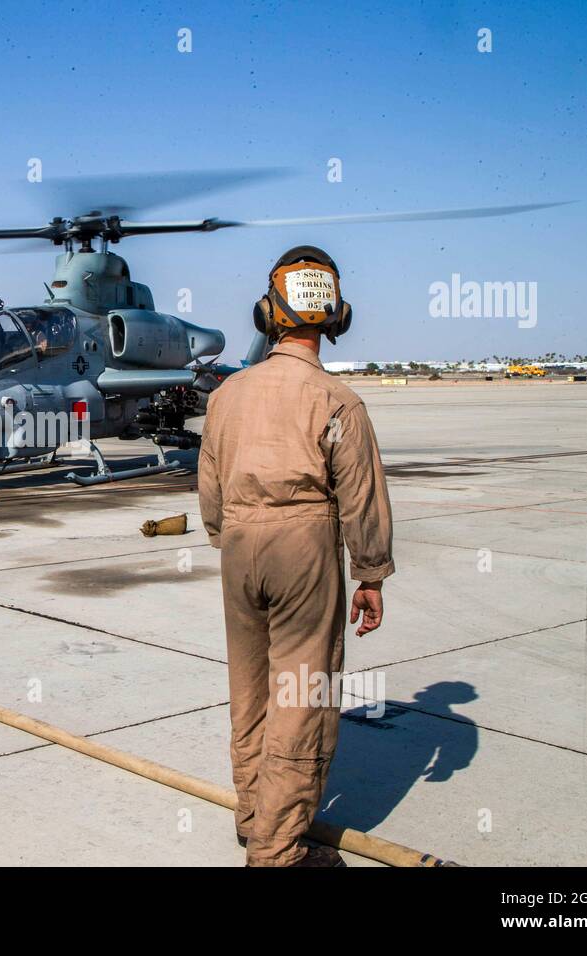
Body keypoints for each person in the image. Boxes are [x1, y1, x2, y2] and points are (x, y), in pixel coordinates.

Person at [198, 246, 394, 868]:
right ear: (334, 317)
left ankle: (254, 816)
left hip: (238, 543)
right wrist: (369, 574)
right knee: (302, 691)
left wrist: (225, 534)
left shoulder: (226, 396)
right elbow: (361, 497)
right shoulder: (338, 402)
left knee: (249, 686)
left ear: (267, 314)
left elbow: (209, 488)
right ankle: (278, 852)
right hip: (304, 545)